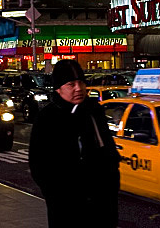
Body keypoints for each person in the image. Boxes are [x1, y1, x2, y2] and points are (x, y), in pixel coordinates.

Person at [29, 59, 120, 228]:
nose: (78, 88)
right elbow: (38, 165)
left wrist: (110, 187)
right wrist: (57, 195)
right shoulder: (48, 118)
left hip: (101, 208)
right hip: (66, 209)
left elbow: (108, 153)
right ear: (59, 88)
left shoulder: (94, 112)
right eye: (71, 84)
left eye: (81, 82)